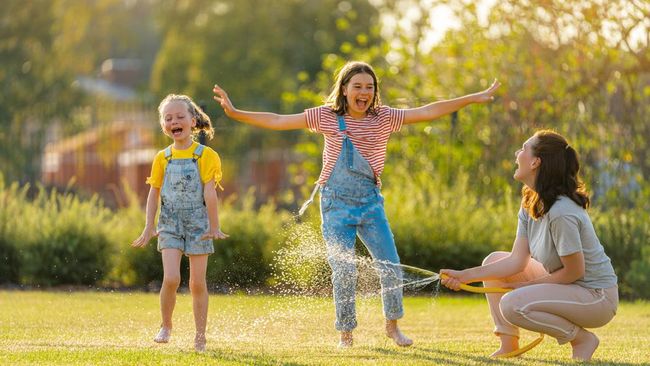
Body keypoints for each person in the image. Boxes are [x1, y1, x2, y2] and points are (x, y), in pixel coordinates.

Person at [213, 61, 499, 347]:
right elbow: (278, 120)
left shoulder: (384, 117)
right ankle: (346, 334)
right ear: (345, 89)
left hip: (371, 204)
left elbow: (427, 111)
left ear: (375, 92)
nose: (364, 92)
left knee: (391, 266)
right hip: (335, 205)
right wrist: (236, 113)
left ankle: (393, 326)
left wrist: (473, 98)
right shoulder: (326, 117)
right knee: (344, 270)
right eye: (358, 86)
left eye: (369, 87)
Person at [440, 129, 618, 361]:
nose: (517, 154)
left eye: (523, 148)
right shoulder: (531, 201)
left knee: (513, 304)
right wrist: (465, 275)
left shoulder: (562, 212)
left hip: (596, 297)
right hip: (568, 285)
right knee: (493, 261)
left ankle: (581, 339)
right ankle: (509, 344)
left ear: (536, 162)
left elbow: (575, 271)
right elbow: (516, 260)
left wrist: (527, 288)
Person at [132, 94, 229, 352]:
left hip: (199, 223)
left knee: (197, 283)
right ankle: (166, 325)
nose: (174, 121)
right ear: (164, 126)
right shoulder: (162, 158)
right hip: (170, 223)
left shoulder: (206, 156)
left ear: (192, 120)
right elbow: (154, 192)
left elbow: (210, 193)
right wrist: (148, 225)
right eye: (168, 118)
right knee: (172, 278)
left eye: (179, 116)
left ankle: (200, 336)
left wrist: (214, 225)